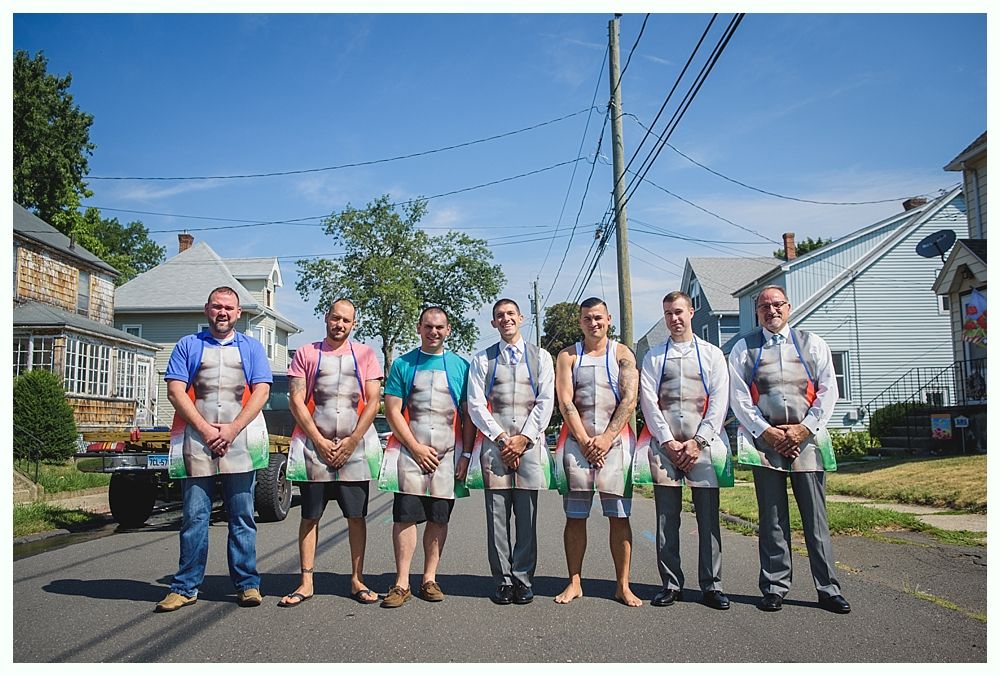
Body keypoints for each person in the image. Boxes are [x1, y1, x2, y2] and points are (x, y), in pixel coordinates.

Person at [728, 285, 851, 614]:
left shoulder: (812, 343)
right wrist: (766, 432)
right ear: (757, 312)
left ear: (789, 307)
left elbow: (828, 389)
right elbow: (738, 398)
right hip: (764, 443)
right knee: (772, 518)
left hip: (808, 440)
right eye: (764, 306)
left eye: (777, 304)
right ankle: (774, 586)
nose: (772, 311)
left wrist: (803, 429)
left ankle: (828, 589)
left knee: (815, 518)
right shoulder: (744, 349)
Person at [155, 286, 272, 612]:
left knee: (242, 516)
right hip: (196, 442)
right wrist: (206, 429)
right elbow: (176, 391)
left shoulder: (251, 348)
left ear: (238, 313)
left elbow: (261, 391)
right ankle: (185, 586)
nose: (223, 313)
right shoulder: (188, 346)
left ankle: (248, 584)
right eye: (217, 307)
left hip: (240, 443)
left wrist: (233, 429)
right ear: (207, 309)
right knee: (194, 517)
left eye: (229, 308)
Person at [278, 299, 383, 608]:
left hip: (355, 450)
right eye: (335, 318)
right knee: (310, 516)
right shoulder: (306, 354)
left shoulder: (365, 355)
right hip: (314, 450)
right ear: (326, 318)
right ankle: (306, 581)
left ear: (353, 324)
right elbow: (296, 400)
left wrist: (351, 441)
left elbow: (374, 400)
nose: (340, 324)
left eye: (346, 320)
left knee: (356, 517)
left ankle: (357, 579)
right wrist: (320, 442)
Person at [637, 291, 732, 610]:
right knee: (666, 518)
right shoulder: (653, 356)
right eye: (667, 314)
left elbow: (719, 401)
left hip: (703, 446)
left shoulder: (712, 354)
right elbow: (648, 401)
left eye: (678, 312)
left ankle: (712, 584)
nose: (674, 318)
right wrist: (667, 441)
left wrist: (698, 441)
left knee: (708, 517)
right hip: (665, 447)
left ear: (691, 312)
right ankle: (671, 583)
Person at [378, 307, 473, 608]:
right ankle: (401, 582)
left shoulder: (460, 366)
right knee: (405, 518)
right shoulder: (403, 364)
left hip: (447, 457)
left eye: (440, 327)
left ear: (448, 330)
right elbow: (392, 411)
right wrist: (416, 448)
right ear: (419, 328)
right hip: (409, 454)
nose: (434, 332)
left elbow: (469, 415)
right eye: (428, 326)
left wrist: (466, 454)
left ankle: (429, 578)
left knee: (438, 519)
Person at [553, 297, 641, 607]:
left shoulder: (622, 354)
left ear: (609, 319)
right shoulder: (568, 356)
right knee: (575, 516)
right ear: (580, 322)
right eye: (588, 318)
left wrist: (605, 439)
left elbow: (630, 399)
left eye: (599, 317)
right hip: (577, 446)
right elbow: (565, 401)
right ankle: (574, 581)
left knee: (619, 516)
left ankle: (622, 584)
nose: (594, 323)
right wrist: (584, 439)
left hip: (615, 445)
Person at [467, 299, 555, 605]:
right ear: (493, 323)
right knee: (497, 517)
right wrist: (503, 438)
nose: (505, 319)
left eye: (510, 314)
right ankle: (503, 580)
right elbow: (476, 404)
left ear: (521, 318)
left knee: (527, 516)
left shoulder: (540, 357)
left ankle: (523, 578)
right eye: (499, 316)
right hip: (495, 446)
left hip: (529, 446)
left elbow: (546, 401)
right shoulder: (482, 360)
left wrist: (524, 439)